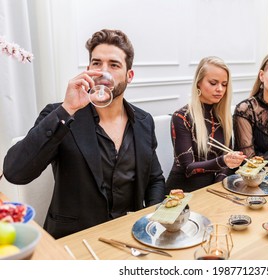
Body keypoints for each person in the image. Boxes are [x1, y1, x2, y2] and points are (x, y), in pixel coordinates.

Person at [3, 29, 165, 239]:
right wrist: (67, 109)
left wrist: (151, 221)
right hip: (76, 239)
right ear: (89, 70)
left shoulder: (144, 121)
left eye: (114, 65)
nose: (103, 72)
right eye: (97, 63)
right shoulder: (60, 114)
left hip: (129, 236)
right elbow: (15, 172)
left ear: (129, 75)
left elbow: (155, 180)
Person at [166, 56, 246, 193]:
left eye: (224, 84)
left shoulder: (223, 117)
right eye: (213, 83)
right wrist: (223, 161)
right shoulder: (181, 117)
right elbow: (188, 168)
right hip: (181, 194)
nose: (220, 89)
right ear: (198, 83)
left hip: (210, 191)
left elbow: (225, 167)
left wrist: (215, 188)